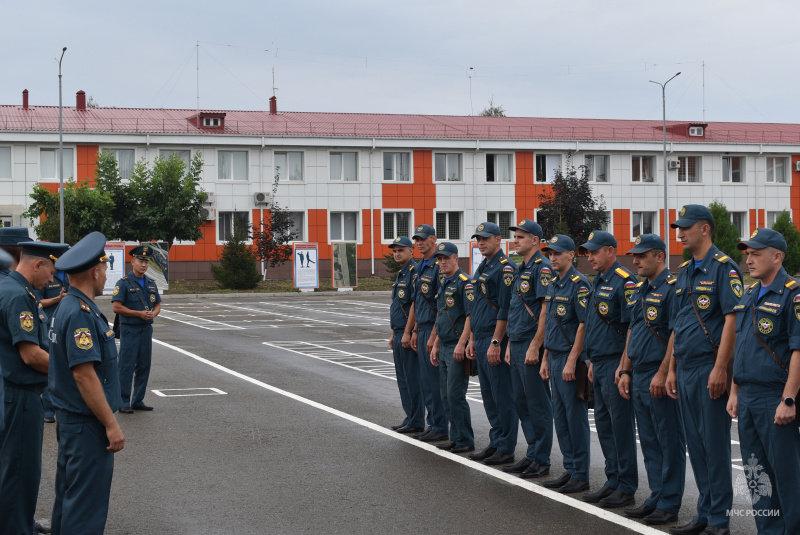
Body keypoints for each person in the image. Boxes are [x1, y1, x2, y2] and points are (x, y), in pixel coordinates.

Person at [667, 204, 741, 535]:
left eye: (685, 227)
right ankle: (704, 512)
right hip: (684, 368)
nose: (679, 233)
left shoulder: (724, 268)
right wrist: (671, 369)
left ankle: (719, 520)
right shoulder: (684, 271)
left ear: (705, 229)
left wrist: (721, 368)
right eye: (677, 227)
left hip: (709, 369)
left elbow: (732, 321)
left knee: (714, 445)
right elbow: (678, 326)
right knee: (695, 445)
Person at [50, 231, 124, 534]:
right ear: (95, 271)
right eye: (105, 269)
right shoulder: (79, 313)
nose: (106, 275)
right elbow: (84, 374)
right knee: (85, 506)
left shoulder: (71, 306)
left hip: (72, 421)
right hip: (86, 424)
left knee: (70, 497)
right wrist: (111, 424)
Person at [728, 228, 800, 534]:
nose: (749, 259)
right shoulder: (748, 294)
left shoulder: (793, 294)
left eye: (756, 253)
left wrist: (789, 398)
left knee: (786, 474)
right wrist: (734, 391)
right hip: (746, 397)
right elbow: (741, 346)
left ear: (777, 256)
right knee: (757, 477)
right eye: (747, 253)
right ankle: (768, 530)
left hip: (774, 397)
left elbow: (798, 349)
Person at [0, 240, 68, 535]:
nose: (53, 280)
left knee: (13, 466)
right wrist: (72, 372)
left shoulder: (14, 289)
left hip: (12, 393)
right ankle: (16, 528)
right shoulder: (18, 296)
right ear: (38, 264)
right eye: (52, 272)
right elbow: (31, 354)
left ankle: (19, 521)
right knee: (20, 468)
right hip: (20, 395)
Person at [617, 234, 686, 525]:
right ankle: (656, 496)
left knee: (668, 440)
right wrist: (624, 370)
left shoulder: (672, 289)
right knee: (649, 440)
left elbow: (675, 333)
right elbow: (634, 330)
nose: (635, 261)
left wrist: (662, 372)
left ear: (659, 256)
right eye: (634, 256)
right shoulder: (641, 290)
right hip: (639, 372)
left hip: (659, 373)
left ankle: (669, 503)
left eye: (641, 256)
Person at [579, 231, 638, 508]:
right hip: (599, 363)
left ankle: (626, 486)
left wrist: (624, 366)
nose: (589, 257)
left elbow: (630, 328)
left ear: (610, 251)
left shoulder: (624, 282)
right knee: (603, 424)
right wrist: (591, 361)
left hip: (615, 362)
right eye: (587, 252)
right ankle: (613, 479)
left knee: (620, 426)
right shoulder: (598, 280)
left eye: (594, 252)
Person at [540, 234, 593, 494]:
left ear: (571, 255)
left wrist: (572, 361)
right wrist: (546, 358)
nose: (552, 257)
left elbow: (583, 325)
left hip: (570, 360)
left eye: (557, 253)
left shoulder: (579, 285)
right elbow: (551, 323)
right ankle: (570, 468)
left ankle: (581, 474)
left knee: (575, 418)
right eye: (550, 253)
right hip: (555, 356)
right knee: (560, 418)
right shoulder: (553, 283)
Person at [463, 222, 518, 466]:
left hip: (495, 338)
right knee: (489, 395)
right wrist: (472, 338)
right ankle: (496, 442)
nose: (481, 243)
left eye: (485, 239)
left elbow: (505, 309)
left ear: (498, 240)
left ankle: (506, 447)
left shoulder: (505, 268)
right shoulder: (483, 267)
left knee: (502, 395)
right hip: (482, 336)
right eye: (478, 239)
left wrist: (496, 342)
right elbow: (476, 306)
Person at [502, 219, 553, 478]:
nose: (515, 240)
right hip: (518, 341)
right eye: (515, 236)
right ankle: (532, 453)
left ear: (535, 240)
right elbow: (516, 309)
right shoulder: (522, 268)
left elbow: (545, 309)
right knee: (522, 401)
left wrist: (536, 345)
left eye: (521, 237)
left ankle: (542, 459)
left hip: (531, 344)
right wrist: (510, 342)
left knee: (538, 403)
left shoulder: (541, 267)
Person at [401, 224, 448, 442]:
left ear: (434, 239)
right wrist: (412, 330)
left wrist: (433, 335)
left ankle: (440, 425)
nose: (419, 243)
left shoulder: (439, 266)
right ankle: (433, 423)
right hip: (422, 328)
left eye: (423, 239)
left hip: (433, 327)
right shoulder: (421, 266)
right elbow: (416, 301)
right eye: (417, 239)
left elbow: (442, 304)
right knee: (426, 381)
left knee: (434, 381)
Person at [428, 242, 475, 453]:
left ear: (456, 258)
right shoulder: (444, 282)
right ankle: (455, 436)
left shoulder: (465, 282)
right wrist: (436, 343)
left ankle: (465, 439)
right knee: (446, 395)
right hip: (444, 344)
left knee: (456, 394)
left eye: (446, 258)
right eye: (439, 259)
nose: (442, 262)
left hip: (456, 346)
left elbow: (470, 316)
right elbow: (441, 315)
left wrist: (462, 343)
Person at [112, 245, 162, 414]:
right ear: (132, 261)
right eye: (140, 261)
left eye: (146, 262)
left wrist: (152, 314)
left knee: (144, 365)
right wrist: (138, 314)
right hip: (130, 329)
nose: (143, 265)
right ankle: (123, 401)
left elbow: (157, 304)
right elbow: (117, 307)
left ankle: (138, 400)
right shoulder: (123, 283)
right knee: (126, 366)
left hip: (146, 330)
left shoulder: (151, 283)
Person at [387, 236, 425, 433]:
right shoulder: (402, 273)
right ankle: (410, 416)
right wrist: (395, 333)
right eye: (394, 250)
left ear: (412, 251)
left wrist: (410, 332)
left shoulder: (414, 272)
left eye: (401, 250)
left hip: (408, 333)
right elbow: (399, 305)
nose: (396, 253)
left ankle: (417, 419)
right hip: (400, 331)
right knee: (403, 378)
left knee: (412, 378)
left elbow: (415, 305)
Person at [35, 269, 70, 423]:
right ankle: (48, 410)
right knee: (51, 367)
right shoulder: (46, 276)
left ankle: (63, 407)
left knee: (68, 367)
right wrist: (58, 298)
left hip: (67, 325)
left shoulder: (70, 275)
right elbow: (37, 302)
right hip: (49, 326)